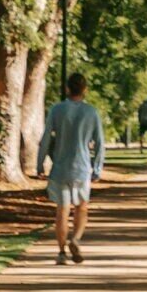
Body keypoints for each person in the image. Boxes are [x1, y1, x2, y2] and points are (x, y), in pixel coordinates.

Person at [42, 71, 107, 264]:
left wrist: (39, 164)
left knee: (62, 209)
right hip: (82, 167)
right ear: (85, 90)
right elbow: (100, 143)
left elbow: (46, 138)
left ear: (67, 88)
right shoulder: (91, 112)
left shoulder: (57, 110)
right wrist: (97, 168)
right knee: (81, 207)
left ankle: (61, 252)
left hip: (60, 168)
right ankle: (75, 239)